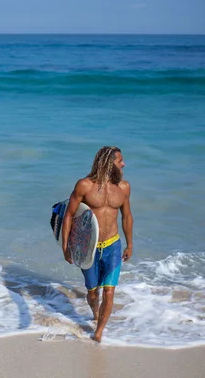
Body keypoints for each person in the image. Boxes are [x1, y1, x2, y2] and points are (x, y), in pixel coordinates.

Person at [61, 146, 133, 343]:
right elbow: (68, 215)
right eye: (120, 161)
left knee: (109, 291)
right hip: (88, 248)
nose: (124, 164)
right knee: (93, 292)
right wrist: (66, 246)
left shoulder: (124, 188)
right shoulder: (85, 185)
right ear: (110, 163)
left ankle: (98, 332)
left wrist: (129, 244)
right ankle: (95, 311)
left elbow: (127, 217)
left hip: (112, 245)